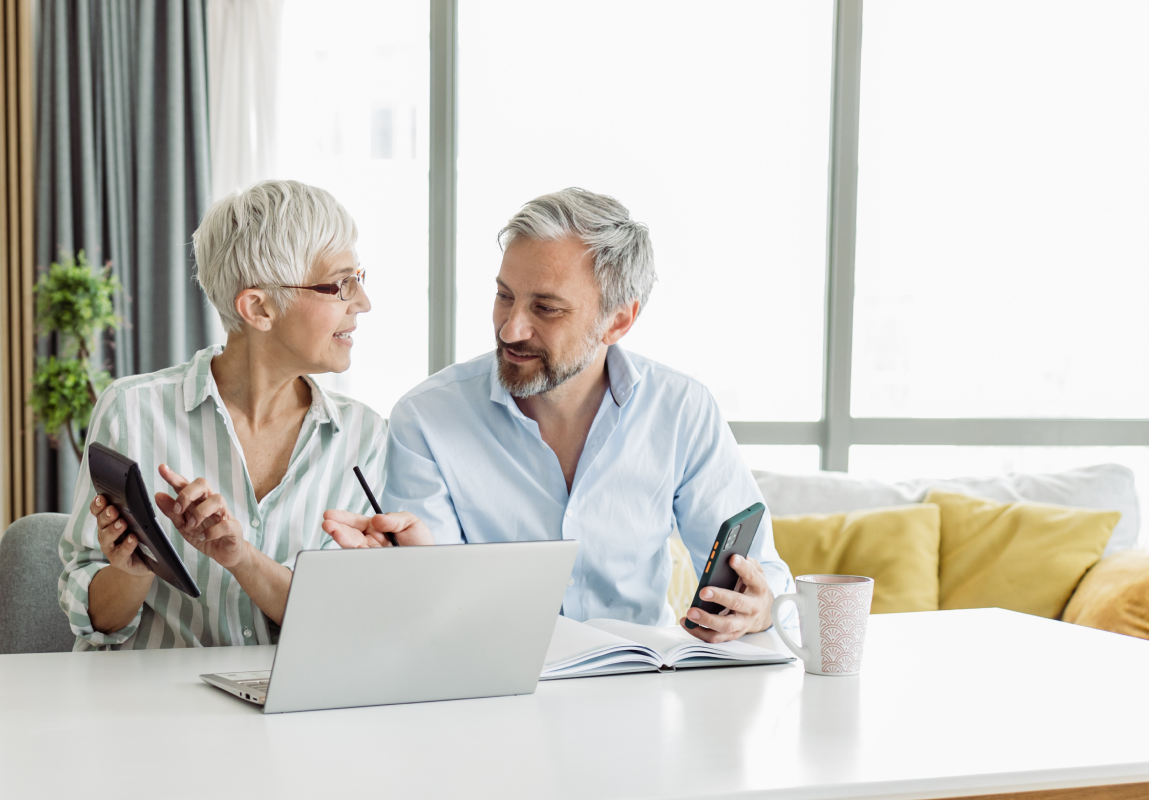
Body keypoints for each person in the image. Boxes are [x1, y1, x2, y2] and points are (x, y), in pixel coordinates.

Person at [324, 188, 793, 644]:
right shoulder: (426, 418)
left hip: (639, 689)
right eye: (504, 296)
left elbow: (763, 577)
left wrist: (755, 609)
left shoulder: (681, 410)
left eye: (545, 308)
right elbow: (433, 610)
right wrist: (413, 569)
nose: (511, 328)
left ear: (618, 321)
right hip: (493, 689)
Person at [57, 180, 386, 650]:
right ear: (259, 308)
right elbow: (93, 622)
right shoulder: (132, 411)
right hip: (154, 714)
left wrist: (241, 558)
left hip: (292, 714)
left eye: (360, 278)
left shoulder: (364, 436)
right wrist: (131, 571)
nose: (363, 303)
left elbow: (339, 620)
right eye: (340, 284)